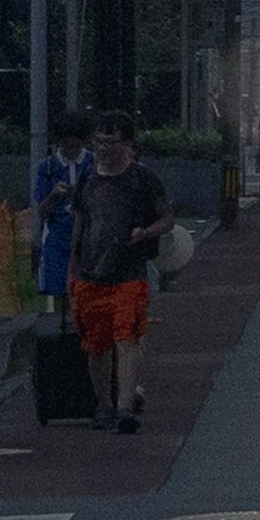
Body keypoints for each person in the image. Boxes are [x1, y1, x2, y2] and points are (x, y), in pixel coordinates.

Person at [58, 112, 178, 437]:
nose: (104, 149)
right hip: (90, 274)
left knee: (127, 338)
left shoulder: (143, 179)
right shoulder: (87, 179)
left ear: (127, 144)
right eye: (99, 142)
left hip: (129, 273)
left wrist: (146, 232)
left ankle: (124, 406)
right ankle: (103, 405)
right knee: (96, 346)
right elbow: (79, 225)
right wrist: (72, 268)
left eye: (111, 142)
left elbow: (167, 219)